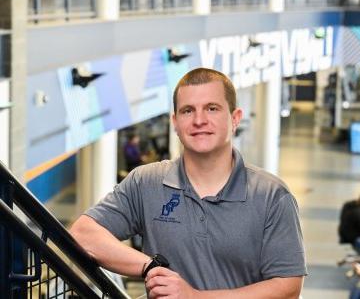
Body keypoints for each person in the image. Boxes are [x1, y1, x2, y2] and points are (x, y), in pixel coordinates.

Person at [70, 67, 306, 298]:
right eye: (187, 111)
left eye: (212, 109)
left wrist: (194, 297)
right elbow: (83, 234)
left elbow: (287, 287)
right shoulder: (146, 183)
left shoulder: (271, 196)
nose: (199, 120)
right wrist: (152, 268)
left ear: (235, 118)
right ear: (175, 122)